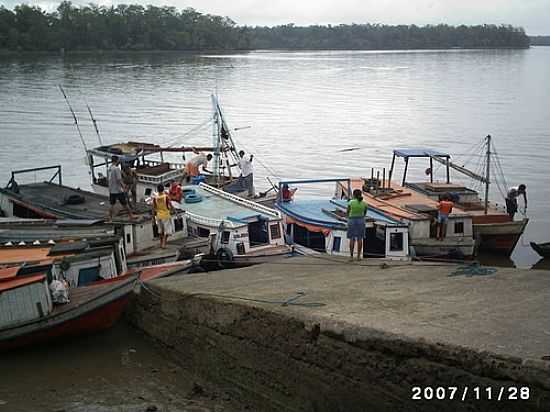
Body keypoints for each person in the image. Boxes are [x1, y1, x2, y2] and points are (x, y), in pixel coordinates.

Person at [108, 156, 135, 221]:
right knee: (125, 204)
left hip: (112, 190)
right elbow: (119, 179)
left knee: (112, 204)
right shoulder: (117, 169)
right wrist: (124, 187)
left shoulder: (110, 168)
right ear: (116, 160)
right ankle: (131, 216)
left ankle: (109, 217)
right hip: (118, 190)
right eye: (118, 160)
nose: (119, 162)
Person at [347, 189, 368, 261]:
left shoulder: (351, 202)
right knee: (360, 238)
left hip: (352, 220)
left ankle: (351, 256)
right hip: (361, 220)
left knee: (352, 238)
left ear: (354, 195)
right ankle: (358, 256)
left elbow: (348, 211)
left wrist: (348, 217)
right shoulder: (364, 203)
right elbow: (365, 213)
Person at [153, 183, 173, 249]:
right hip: (166, 215)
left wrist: (153, 218)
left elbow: (154, 208)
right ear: (163, 189)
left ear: (157, 190)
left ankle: (161, 243)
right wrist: (175, 212)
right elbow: (170, 205)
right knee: (167, 231)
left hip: (158, 215)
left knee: (160, 231)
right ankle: (164, 244)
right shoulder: (166, 197)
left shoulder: (155, 198)